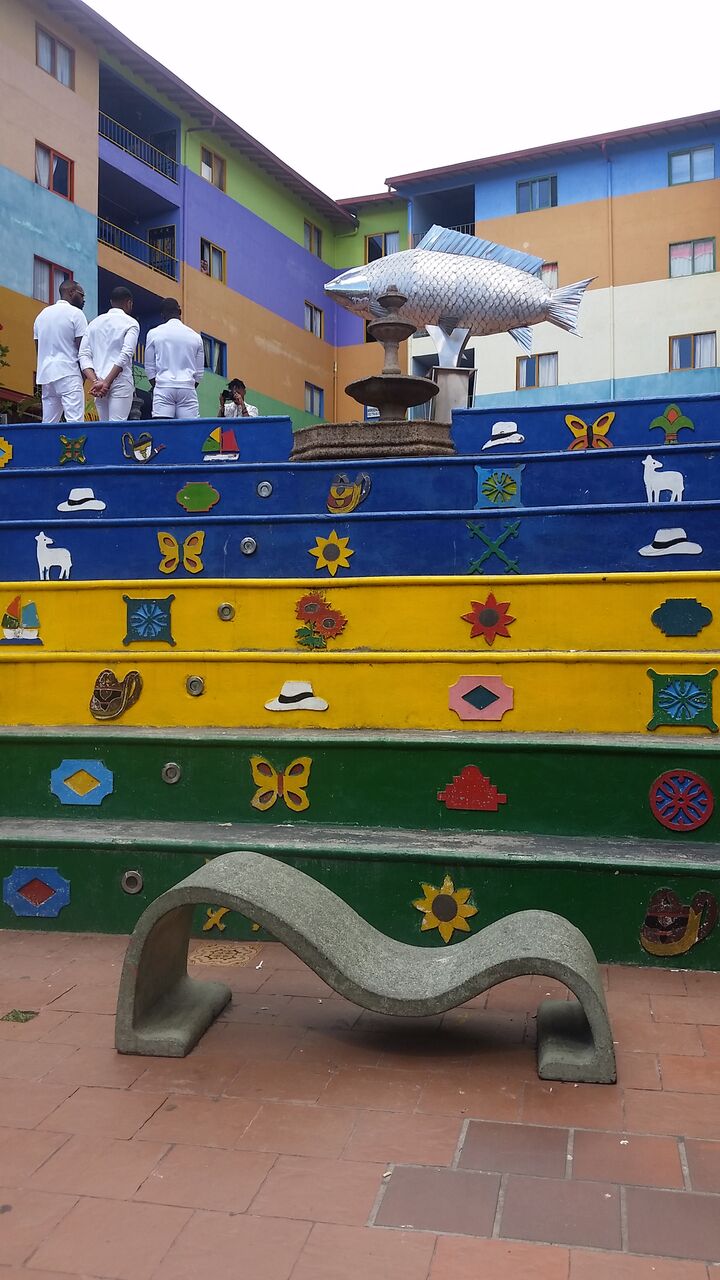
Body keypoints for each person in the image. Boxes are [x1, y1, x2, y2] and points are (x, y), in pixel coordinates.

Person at [79, 286, 140, 422]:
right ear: (129, 303)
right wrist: (107, 382)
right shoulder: (131, 323)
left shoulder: (94, 323)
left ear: (111, 302)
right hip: (120, 381)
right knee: (117, 427)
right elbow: (126, 354)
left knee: (104, 427)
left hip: (98, 383)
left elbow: (83, 355)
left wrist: (96, 381)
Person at [32, 280, 88, 423]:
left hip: (47, 375)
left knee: (48, 423)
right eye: (81, 295)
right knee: (75, 423)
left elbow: (38, 349)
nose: (83, 300)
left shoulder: (41, 315)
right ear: (71, 292)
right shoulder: (76, 314)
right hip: (69, 372)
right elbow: (83, 350)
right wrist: (82, 377)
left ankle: (46, 446)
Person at [144, 298, 204, 419]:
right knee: (188, 432)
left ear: (162, 315)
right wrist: (188, 385)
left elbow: (149, 367)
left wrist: (159, 385)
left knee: (163, 430)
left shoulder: (154, 333)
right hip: (187, 388)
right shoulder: (196, 337)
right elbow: (199, 373)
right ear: (180, 312)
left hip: (163, 387)